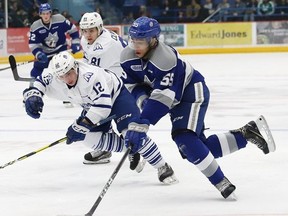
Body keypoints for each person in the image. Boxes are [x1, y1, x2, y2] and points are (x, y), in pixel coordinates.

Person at [120, 16, 276, 199]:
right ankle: (246, 134)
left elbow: (165, 97)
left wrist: (143, 121)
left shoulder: (165, 58)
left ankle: (221, 182)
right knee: (194, 149)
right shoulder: (126, 56)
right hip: (173, 99)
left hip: (191, 93)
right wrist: (143, 100)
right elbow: (132, 85)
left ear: (153, 40)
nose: (136, 46)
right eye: (133, 40)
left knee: (185, 139)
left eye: (141, 41)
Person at [22, 51, 178, 185]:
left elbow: (103, 106)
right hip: (91, 105)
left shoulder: (90, 76)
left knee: (131, 133)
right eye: (62, 76)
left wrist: (80, 126)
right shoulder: (54, 75)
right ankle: (130, 149)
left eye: (69, 73)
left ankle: (163, 166)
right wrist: (33, 96)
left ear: (75, 66)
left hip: (117, 98)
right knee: (89, 139)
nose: (67, 78)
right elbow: (40, 82)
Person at [78, 12, 128, 164]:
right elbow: (87, 65)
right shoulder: (88, 40)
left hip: (125, 83)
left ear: (99, 28)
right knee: (94, 112)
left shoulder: (104, 46)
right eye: (84, 30)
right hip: (110, 78)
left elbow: (91, 74)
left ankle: (136, 148)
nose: (87, 35)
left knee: (96, 111)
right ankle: (105, 147)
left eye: (91, 30)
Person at [28, 3, 81, 86]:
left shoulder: (60, 19)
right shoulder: (35, 26)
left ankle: (70, 88)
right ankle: (33, 88)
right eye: (43, 14)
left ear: (50, 13)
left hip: (61, 50)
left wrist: (76, 43)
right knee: (37, 67)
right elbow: (33, 44)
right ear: (40, 14)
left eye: (47, 13)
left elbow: (73, 30)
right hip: (45, 52)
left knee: (66, 69)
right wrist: (39, 54)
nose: (46, 16)